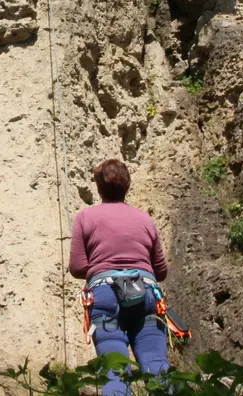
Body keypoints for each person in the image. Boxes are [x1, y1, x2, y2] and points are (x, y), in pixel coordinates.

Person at [69, 159, 169, 395]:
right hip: (145, 293)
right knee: (157, 367)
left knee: (114, 371)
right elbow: (161, 271)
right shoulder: (145, 219)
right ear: (127, 186)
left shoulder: (85, 218)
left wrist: (101, 269)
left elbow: (76, 266)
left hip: (105, 295)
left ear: (98, 187)